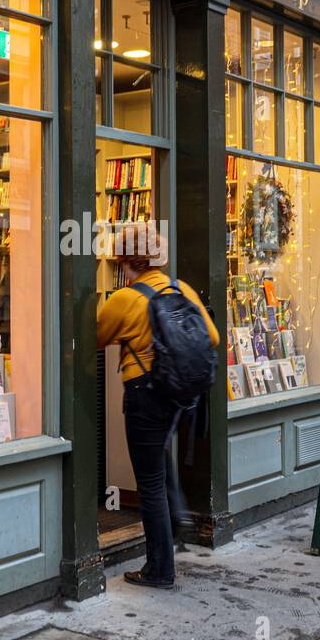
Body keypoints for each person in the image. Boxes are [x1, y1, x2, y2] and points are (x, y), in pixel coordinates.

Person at [96, 246, 219, 588]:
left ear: (124, 263)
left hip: (144, 395)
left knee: (148, 483)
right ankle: (176, 512)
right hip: (178, 396)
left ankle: (160, 569)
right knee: (159, 462)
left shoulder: (124, 299)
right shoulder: (181, 289)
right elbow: (212, 337)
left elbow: (97, 336)